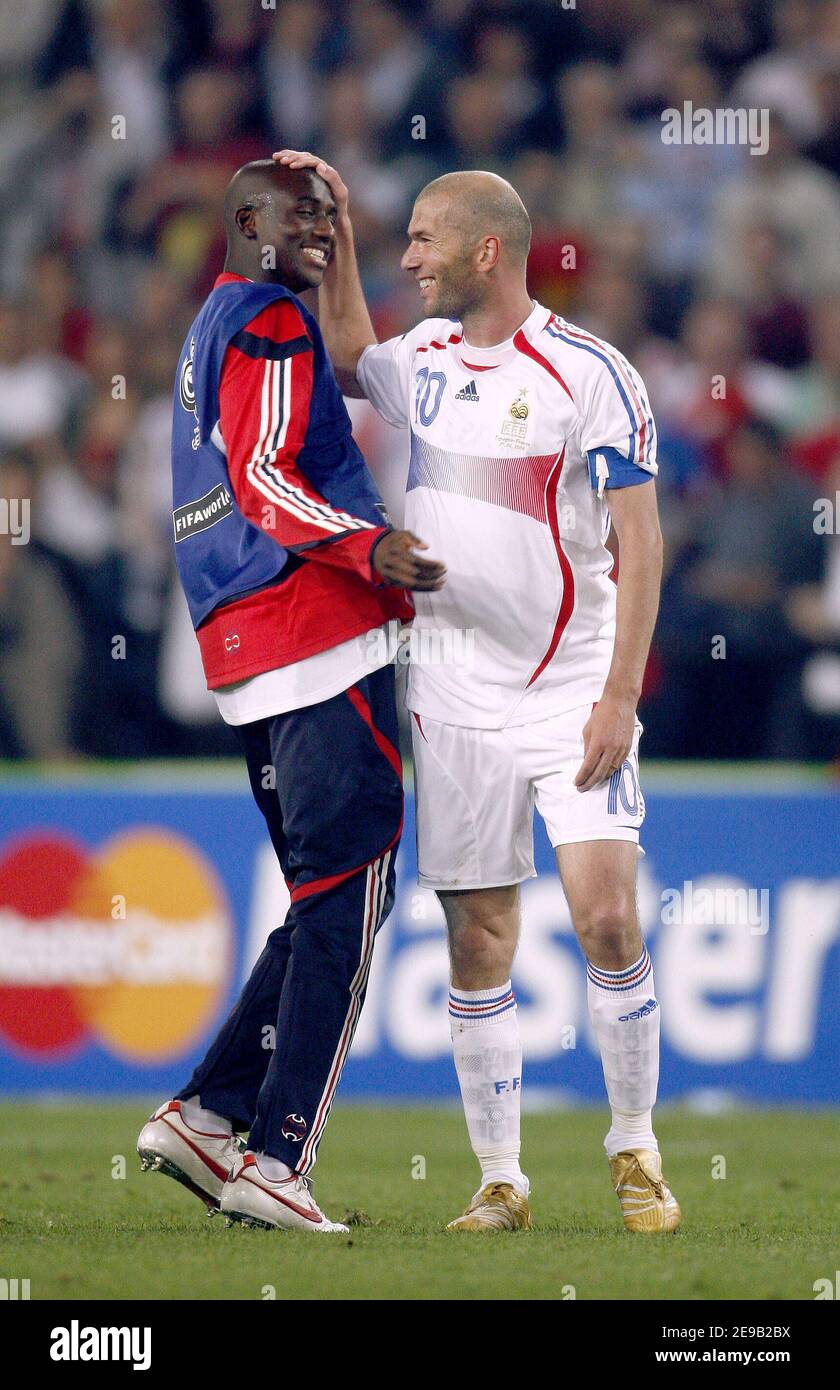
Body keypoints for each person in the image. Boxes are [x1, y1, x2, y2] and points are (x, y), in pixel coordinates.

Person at [276, 147, 679, 1234]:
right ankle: (501, 1178)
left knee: (604, 915)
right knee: (479, 939)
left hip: (571, 692)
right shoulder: (427, 354)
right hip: (450, 694)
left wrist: (620, 694)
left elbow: (641, 547)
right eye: (400, 239)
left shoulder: (590, 373)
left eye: (421, 240)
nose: (411, 259)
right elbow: (354, 349)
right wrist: (344, 231)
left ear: (485, 250)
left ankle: (635, 1148)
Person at [137, 158, 444, 1233]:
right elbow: (267, 471)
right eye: (298, 214)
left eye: (328, 213)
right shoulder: (268, 317)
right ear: (244, 222)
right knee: (348, 899)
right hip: (317, 629)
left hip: (244, 643)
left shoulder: (215, 320)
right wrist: (372, 546)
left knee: (327, 895)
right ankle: (276, 1161)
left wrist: (342, 235)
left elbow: (229, 472)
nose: (317, 227)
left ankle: (210, 1113)